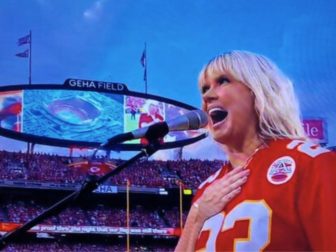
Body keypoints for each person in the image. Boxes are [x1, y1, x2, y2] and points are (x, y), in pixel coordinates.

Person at [175, 50, 336, 251]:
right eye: (204, 89)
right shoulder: (207, 190)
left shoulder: (312, 164)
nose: (207, 95)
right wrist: (195, 217)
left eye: (223, 81)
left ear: (259, 91)